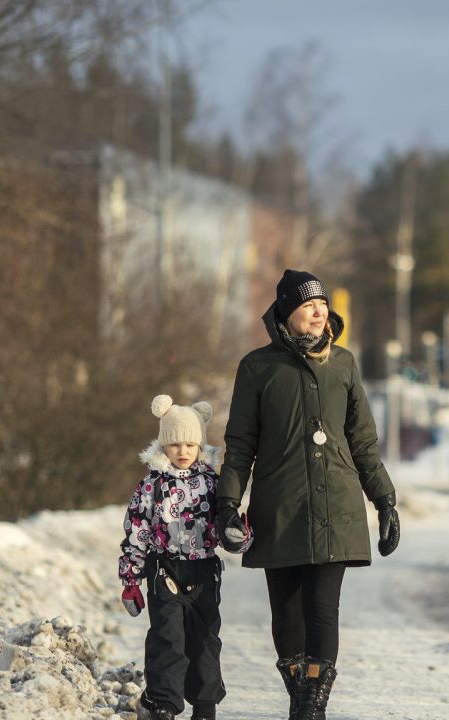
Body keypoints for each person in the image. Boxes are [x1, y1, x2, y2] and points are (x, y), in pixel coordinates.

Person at [216, 269, 400, 720]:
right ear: (286, 313)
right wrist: (227, 503)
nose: (319, 311)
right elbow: (240, 445)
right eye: (307, 305)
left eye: (321, 304)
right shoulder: (257, 367)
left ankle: (310, 708)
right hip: (280, 507)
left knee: (322, 609)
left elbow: (362, 441)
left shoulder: (344, 363)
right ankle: (302, 698)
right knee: (286, 615)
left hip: (336, 504)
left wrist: (384, 500)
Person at [118, 395, 238, 720]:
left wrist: (239, 537)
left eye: (189, 444)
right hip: (164, 570)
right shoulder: (152, 485)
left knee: (204, 641)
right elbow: (136, 532)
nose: (182, 452)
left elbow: (225, 525)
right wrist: (131, 580)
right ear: (163, 446)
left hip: (203, 571)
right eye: (174, 445)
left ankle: (204, 705)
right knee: (167, 639)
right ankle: (163, 704)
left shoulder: (213, 484)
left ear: (199, 446)